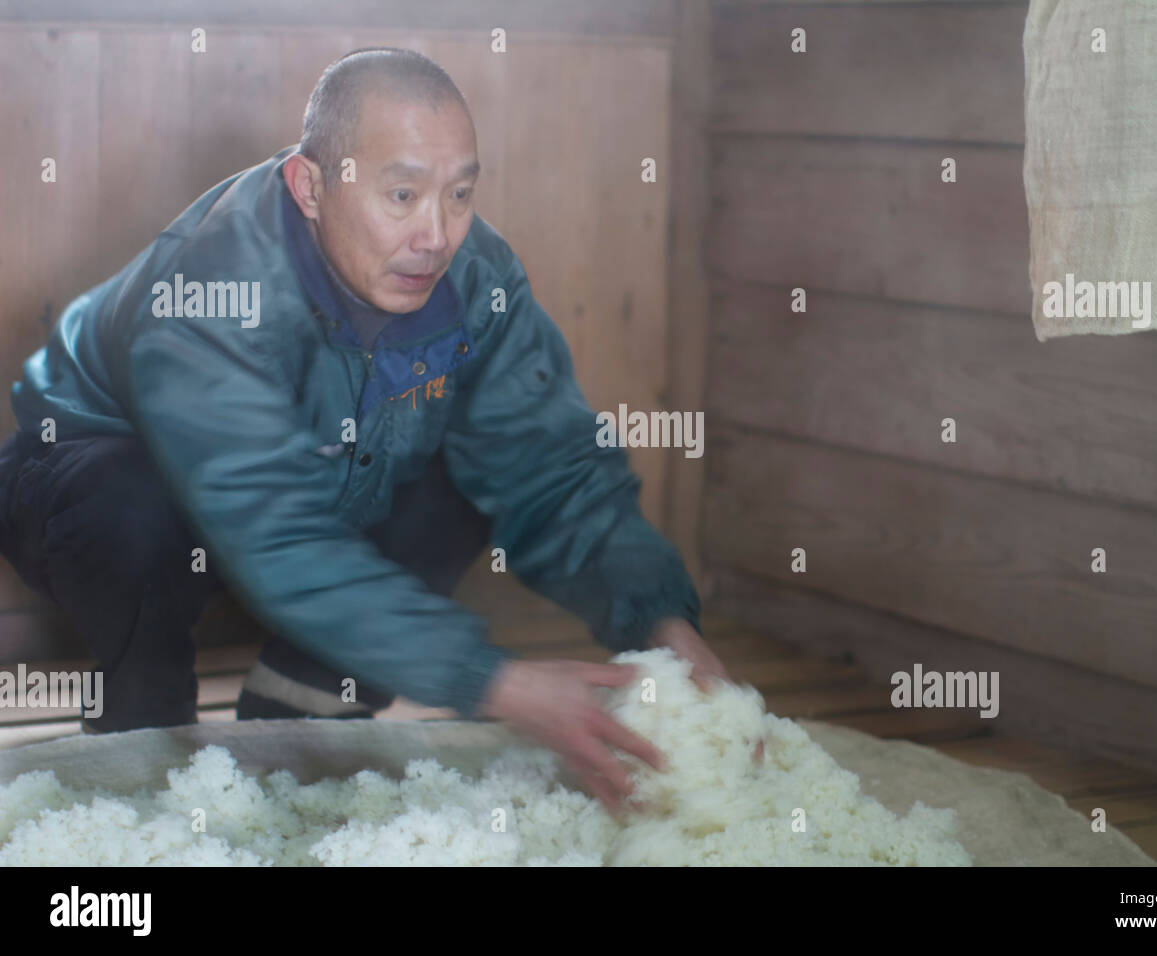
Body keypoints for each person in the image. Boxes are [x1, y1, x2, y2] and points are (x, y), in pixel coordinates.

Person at [0, 47, 727, 814]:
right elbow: (274, 533)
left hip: (313, 490)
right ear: (310, 186)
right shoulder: (212, 286)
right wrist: (495, 682)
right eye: (403, 194)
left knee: (475, 463)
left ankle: (307, 700)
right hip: (90, 485)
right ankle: (138, 745)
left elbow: (554, 467)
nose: (436, 235)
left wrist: (664, 622)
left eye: (460, 194)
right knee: (131, 504)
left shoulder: (479, 280)